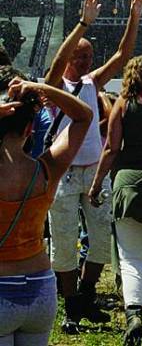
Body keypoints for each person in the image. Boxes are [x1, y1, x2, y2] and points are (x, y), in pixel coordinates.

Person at [44, 0, 142, 326]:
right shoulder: (55, 86)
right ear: (70, 57)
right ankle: (71, 306)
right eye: (80, 56)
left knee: (102, 239)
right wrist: (82, 25)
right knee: (63, 239)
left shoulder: (92, 82)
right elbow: (55, 65)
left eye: (88, 56)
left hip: (93, 172)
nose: (86, 61)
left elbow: (122, 55)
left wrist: (134, 17)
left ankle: (85, 295)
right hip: (64, 173)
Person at [0, 68, 94, 346]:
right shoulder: (47, 170)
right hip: (41, 287)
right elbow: (84, 116)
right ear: (30, 129)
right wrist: (39, 87)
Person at [88, 53, 142, 344]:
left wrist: (96, 184)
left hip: (129, 185)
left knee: (132, 255)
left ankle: (134, 314)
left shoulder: (125, 102)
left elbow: (112, 148)